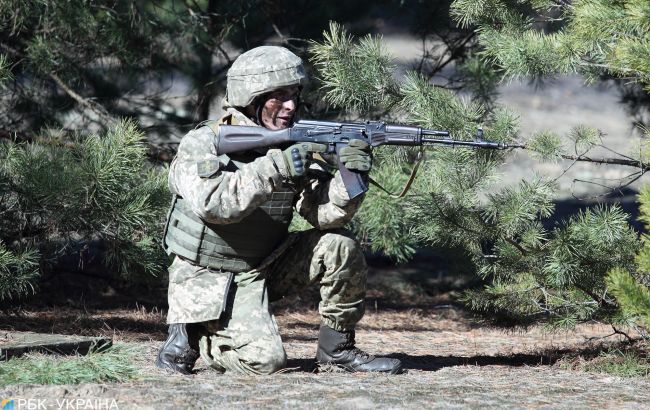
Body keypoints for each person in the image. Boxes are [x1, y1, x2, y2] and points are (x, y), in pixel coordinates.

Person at [156, 45, 402, 375]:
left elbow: (322, 214)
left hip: (263, 266)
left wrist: (350, 176)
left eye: (294, 96)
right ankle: (199, 334)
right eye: (278, 97)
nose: (289, 106)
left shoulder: (290, 144)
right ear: (251, 97)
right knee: (265, 362)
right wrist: (277, 166)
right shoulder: (204, 142)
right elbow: (214, 204)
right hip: (209, 277)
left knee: (340, 245)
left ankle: (336, 351)